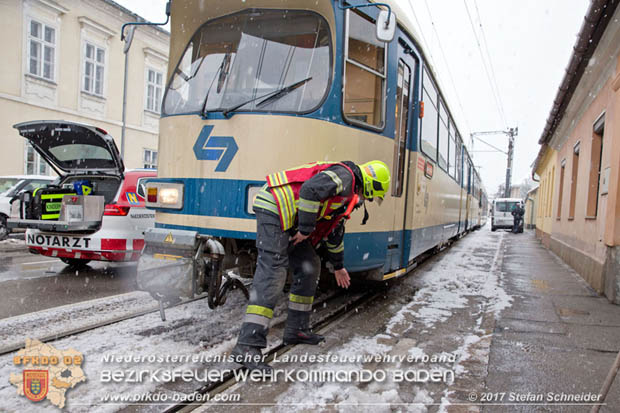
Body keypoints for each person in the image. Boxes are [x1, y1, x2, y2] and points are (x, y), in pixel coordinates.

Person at [231, 160, 391, 371]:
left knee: (310, 265)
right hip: (274, 208)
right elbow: (309, 190)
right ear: (371, 184)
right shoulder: (345, 177)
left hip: (291, 220)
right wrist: (306, 229)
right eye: (369, 196)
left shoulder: (346, 196)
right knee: (273, 272)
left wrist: (338, 266)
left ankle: (296, 329)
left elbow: (334, 234)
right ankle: (247, 345)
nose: (365, 200)